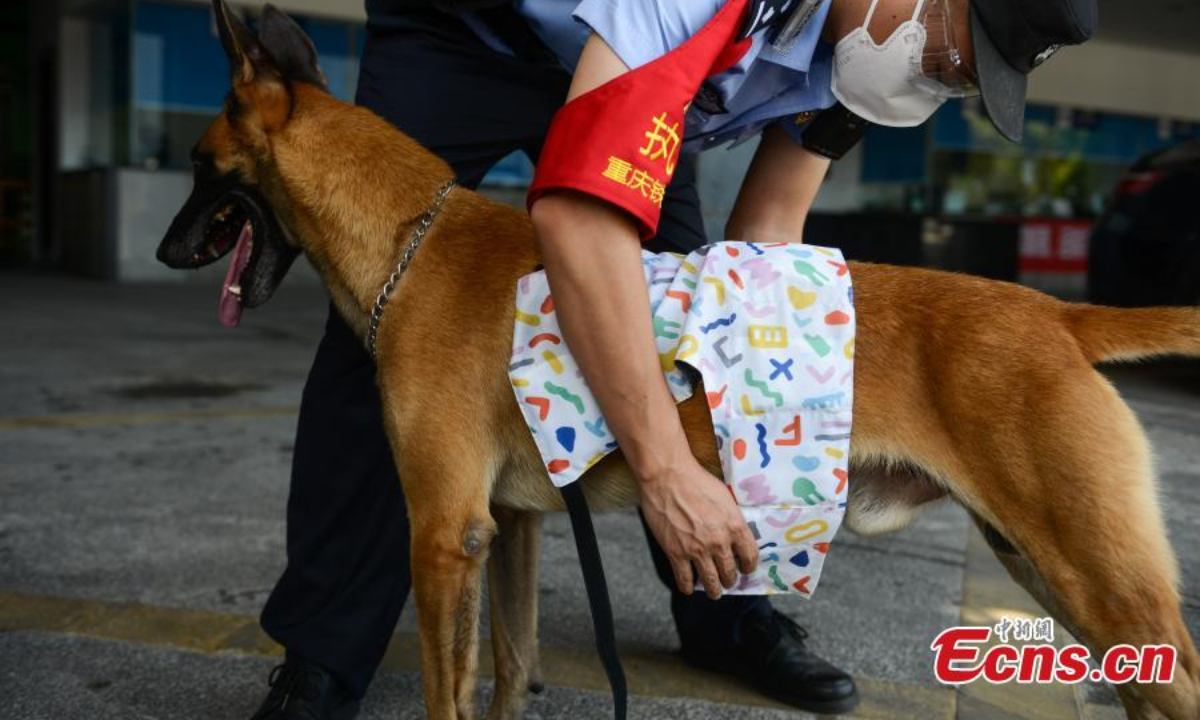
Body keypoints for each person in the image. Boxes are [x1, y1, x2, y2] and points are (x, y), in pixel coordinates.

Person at [249, 0, 1097, 718]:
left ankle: (729, 618)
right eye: (956, 52)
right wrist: (661, 469)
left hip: (623, 70)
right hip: (469, 36)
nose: (946, 81)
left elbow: (762, 253)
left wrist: (772, 418)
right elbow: (578, 225)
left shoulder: (870, 59)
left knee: (686, 304)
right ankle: (324, 654)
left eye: (970, 82)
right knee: (389, 320)